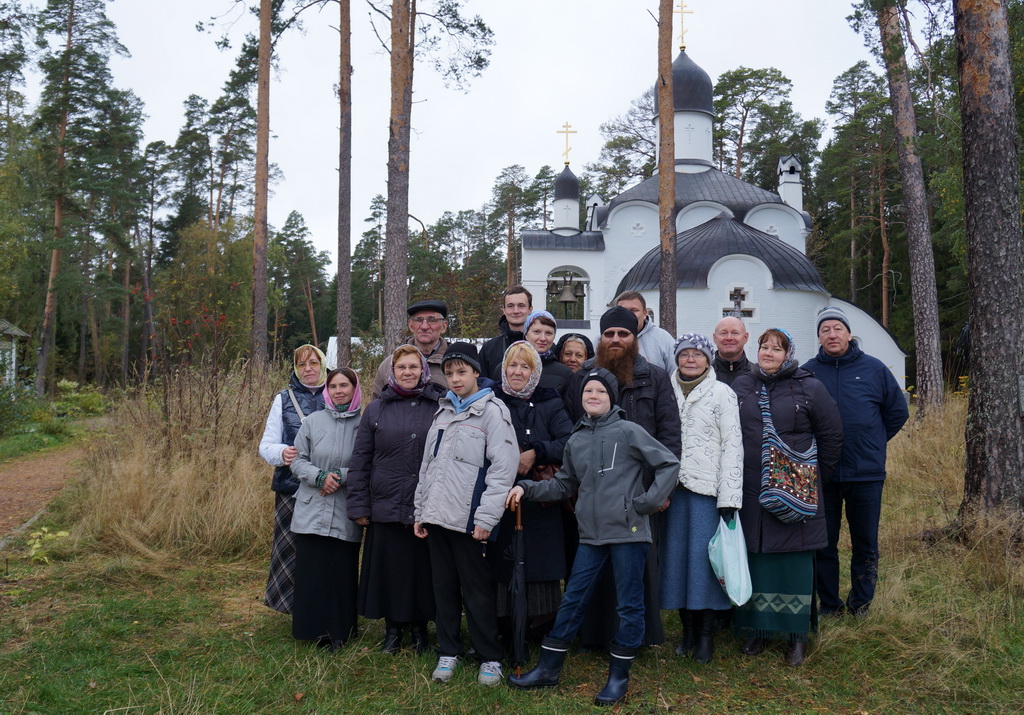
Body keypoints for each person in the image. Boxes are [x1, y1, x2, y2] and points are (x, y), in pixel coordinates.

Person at [506, 368, 679, 706]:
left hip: (628, 534)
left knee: (629, 604)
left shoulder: (629, 431)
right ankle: (548, 668)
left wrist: (647, 502)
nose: (594, 396)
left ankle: (618, 677)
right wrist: (527, 487)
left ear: (611, 397)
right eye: (588, 392)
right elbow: (564, 485)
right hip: (590, 536)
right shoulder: (577, 439)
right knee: (573, 599)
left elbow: (668, 464)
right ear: (581, 398)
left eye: (600, 391)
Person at [563, 305, 681, 647]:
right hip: (594, 492)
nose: (616, 339)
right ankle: (595, 635)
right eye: (609, 334)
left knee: (638, 569)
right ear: (601, 338)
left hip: (639, 492)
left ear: (634, 338)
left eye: (623, 334)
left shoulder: (655, 377)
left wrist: (660, 491)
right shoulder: (581, 378)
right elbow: (574, 432)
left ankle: (637, 639)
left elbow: (670, 434)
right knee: (592, 569)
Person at [731, 329, 843, 666]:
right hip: (752, 489)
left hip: (797, 490)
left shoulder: (809, 387)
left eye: (776, 349)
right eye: (764, 347)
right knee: (758, 560)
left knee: (793, 564)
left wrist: (811, 480)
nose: (768, 353)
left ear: (788, 353)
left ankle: (796, 636)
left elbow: (832, 434)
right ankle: (758, 630)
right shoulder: (742, 387)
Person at [414, 342, 519, 687]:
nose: (455, 379)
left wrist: (487, 519)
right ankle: (449, 650)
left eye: (462, 372)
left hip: (470, 520)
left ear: (476, 373)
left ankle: (489, 657)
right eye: (450, 373)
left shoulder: (493, 411)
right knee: (443, 587)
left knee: (476, 590)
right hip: (436, 516)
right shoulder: (442, 412)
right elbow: (427, 467)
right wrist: (420, 510)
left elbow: (503, 470)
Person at [802, 306, 908, 616]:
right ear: (819, 337)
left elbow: (897, 413)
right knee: (824, 544)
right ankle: (830, 605)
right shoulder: (808, 372)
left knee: (865, 543)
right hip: (824, 474)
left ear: (849, 333)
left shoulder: (874, 369)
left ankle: (861, 603)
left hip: (866, 474)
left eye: (837, 328)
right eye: (825, 330)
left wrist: (871, 442)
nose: (831, 334)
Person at [348, 345, 445, 654]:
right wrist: (359, 505)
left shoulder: (439, 405)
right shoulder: (376, 409)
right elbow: (361, 458)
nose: (407, 372)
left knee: (423, 571)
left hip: (426, 505)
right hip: (386, 504)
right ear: (392, 371)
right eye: (401, 367)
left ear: (423, 371)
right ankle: (392, 631)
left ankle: (420, 631)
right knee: (390, 571)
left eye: (413, 367)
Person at [660, 333, 743, 664]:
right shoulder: (665, 391)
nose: (690, 359)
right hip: (672, 493)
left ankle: (706, 637)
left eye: (697, 354)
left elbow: (732, 446)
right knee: (677, 564)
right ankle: (687, 633)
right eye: (684, 354)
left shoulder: (723, 393)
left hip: (707, 494)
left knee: (704, 566)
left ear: (709, 360)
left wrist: (729, 497)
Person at [492, 340, 574, 641]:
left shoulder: (550, 402)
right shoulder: (492, 400)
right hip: (500, 495)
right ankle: (504, 627)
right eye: (512, 365)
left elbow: (569, 442)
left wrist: (536, 452)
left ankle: (540, 627)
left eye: (524, 366)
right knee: (503, 561)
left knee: (539, 562)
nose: (517, 371)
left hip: (540, 499)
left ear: (535, 371)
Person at [288, 367, 363, 650]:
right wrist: (318, 476)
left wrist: (340, 477)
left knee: (340, 572)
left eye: (344, 385)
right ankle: (310, 628)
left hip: (345, 510)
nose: (338, 391)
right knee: (313, 571)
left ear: (355, 389)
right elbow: (297, 460)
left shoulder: (365, 423)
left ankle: (339, 631)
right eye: (333, 386)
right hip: (311, 507)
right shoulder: (312, 422)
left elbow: (367, 464)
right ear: (326, 391)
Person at [258, 344, 327, 614]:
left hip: (327, 487)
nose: (307, 369)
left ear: (322, 364)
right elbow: (266, 445)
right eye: (301, 365)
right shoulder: (283, 399)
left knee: (323, 549)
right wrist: (282, 453)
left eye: (312, 363)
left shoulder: (337, 392)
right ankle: (290, 606)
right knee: (290, 548)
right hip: (291, 487)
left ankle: (322, 605)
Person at [370, 300, 450, 400]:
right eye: (418, 320)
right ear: (411, 325)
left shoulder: (455, 364)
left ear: (443, 326)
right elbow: (376, 407)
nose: (424, 326)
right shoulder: (389, 365)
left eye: (432, 320)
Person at [615, 290, 676, 375]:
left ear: (644, 313)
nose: (628, 314)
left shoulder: (663, 339)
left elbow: (675, 375)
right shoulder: (604, 339)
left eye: (634, 310)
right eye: (623, 310)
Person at [479, 286, 533, 379]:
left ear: (530, 309)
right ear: (504, 310)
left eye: (521, 306)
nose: (516, 311)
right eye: (510, 306)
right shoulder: (489, 349)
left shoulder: (542, 346)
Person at [519, 310, 573, 393]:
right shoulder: (507, 368)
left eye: (548, 333)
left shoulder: (565, 374)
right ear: (526, 333)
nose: (543, 338)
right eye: (537, 332)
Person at [712, 316, 751, 388]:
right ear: (715, 338)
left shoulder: (757, 375)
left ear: (745, 337)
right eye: (723, 333)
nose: (729, 338)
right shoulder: (704, 375)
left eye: (735, 333)